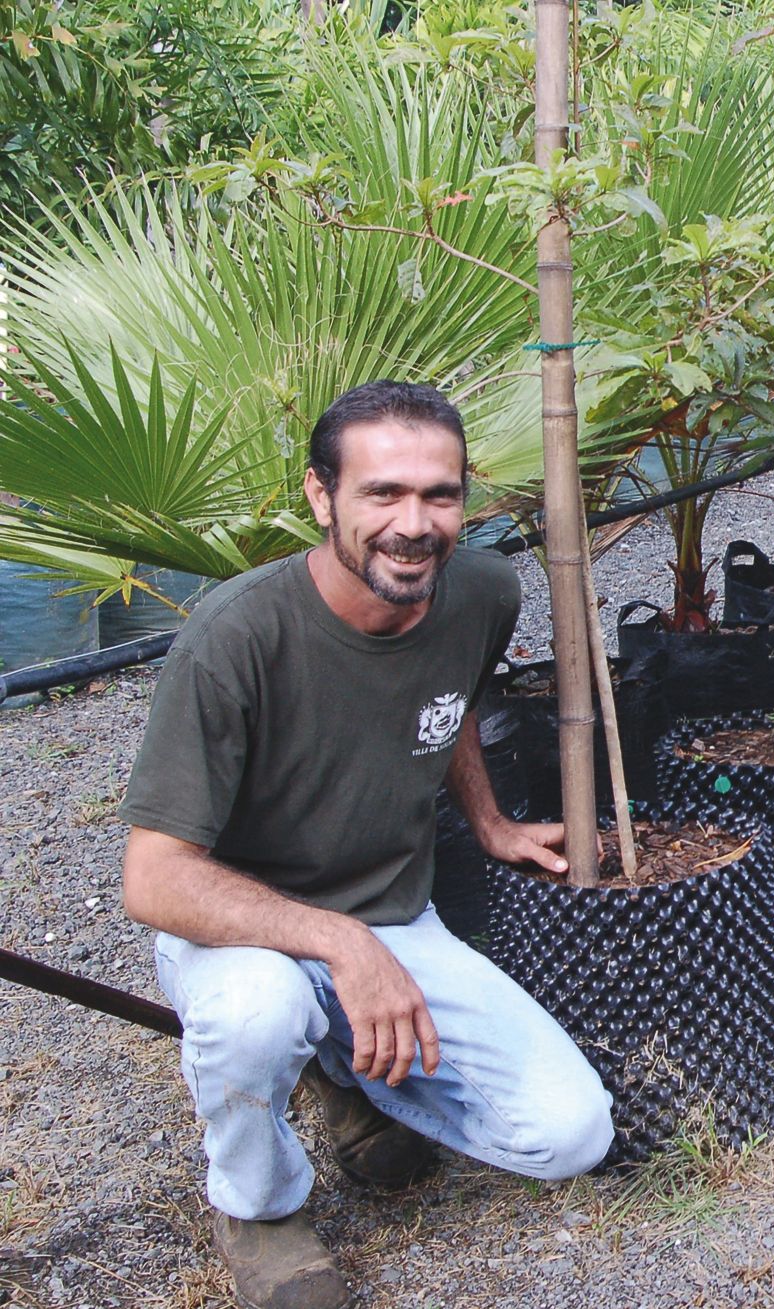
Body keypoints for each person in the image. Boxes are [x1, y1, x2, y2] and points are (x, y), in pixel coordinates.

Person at [118, 381, 613, 1309]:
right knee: (258, 1015)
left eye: (440, 493)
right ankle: (259, 1206)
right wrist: (342, 945)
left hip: (393, 912)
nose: (414, 523)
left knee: (568, 1135)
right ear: (321, 495)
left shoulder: (479, 589)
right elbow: (153, 877)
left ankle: (339, 1066)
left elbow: (453, 697)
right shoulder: (234, 636)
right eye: (382, 493)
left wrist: (489, 817)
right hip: (240, 926)